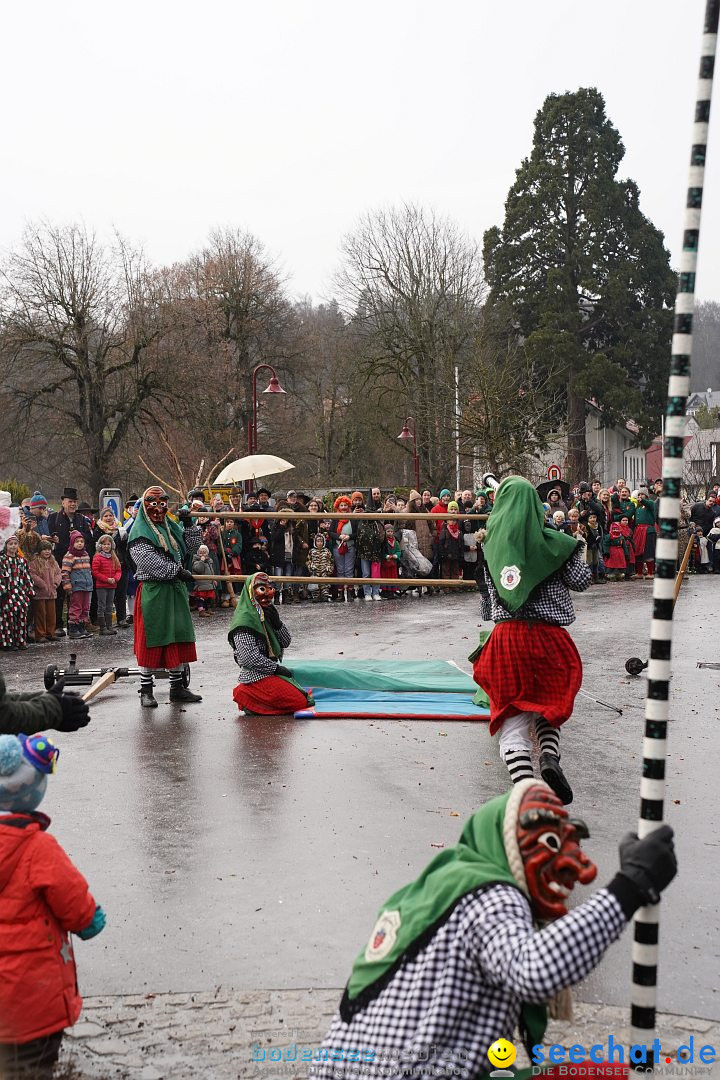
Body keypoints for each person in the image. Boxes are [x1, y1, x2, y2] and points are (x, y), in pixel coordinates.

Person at [310, 781, 676, 1080]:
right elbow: (535, 969)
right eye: (550, 843)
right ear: (507, 844)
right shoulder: (493, 896)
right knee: (602, 1075)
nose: (579, 868)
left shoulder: (436, 888)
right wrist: (630, 887)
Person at [472, 477, 591, 804]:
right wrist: (571, 545)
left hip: (508, 640)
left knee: (512, 722)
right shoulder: (554, 542)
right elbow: (582, 582)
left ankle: (526, 789)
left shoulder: (490, 546)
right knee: (547, 707)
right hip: (548, 638)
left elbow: (487, 605)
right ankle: (550, 757)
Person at [0, 733, 106, 1079]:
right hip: (32, 999)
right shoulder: (38, 849)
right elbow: (72, 899)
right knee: (33, 1066)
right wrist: (90, 920)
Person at [127, 487, 203, 708]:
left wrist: (189, 525)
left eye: (162, 504)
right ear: (144, 506)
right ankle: (146, 690)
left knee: (178, 636)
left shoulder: (170, 527)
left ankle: (177, 688)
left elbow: (191, 547)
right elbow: (147, 561)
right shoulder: (139, 532)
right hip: (155, 591)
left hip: (175, 591)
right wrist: (177, 571)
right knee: (153, 639)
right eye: (153, 503)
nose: (158, 509)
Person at [228, 572, 309, 715]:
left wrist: (277, 623)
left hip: (269, 671)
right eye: (261, 589)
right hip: (256, 674)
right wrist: (276, 669)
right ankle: (247, 696)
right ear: (250, 593)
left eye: (269, 588)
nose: (268, 594)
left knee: (303, 694)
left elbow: (286, 642)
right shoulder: (244, 621)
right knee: (299, 701)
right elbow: (249, 658)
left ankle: (258, 699)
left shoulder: (265, 613)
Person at [47, 487, 94, 638]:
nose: (72, 504)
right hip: (61, 560)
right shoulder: (54, 517)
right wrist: (53, 538)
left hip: (79, 563)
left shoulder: (81, 519)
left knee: (77, 596)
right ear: (63, 502)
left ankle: (75, 625)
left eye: (74, 502)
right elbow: (48, 536)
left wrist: (78, 536)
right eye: (70, 502)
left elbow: (89, 537)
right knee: (60, 593)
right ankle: (58, 626)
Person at [93, 507, 131, 627]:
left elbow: (124, 545)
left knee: (121, 593)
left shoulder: (120, 528)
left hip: (120, 564)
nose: (109, 518)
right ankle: (104, 622)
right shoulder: (98, 530)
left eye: (110, 515)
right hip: (105, 567)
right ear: (102, 518)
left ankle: (121, 619)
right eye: (106, 516)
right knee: (106, 597)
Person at [0, 537, 35, 651]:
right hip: (7, 593)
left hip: (20, 592)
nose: (13, 546)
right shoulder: (2, 560)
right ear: (6, 545)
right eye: (11, 544)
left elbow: (27, 576)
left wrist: (30, 591)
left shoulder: (22, 560)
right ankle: (7, 642)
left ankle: (20, 640)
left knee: (21, 617)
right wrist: (3, 591)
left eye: (15, 544)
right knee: (7, 618)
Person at [60, 532, 93, 641]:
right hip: (76, 586)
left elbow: (88, 570)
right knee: (76, 607)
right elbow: (65, 572)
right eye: (77, 542)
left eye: (81, 542)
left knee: (85, 607)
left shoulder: (85, 554)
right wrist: (67, 586)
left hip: (86, 585)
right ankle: (73, 628)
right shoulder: (69, 556)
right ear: (72, 543)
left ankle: (81, 626)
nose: (79, 544)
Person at [28, 541, 62, 642]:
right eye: (44, 549)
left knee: (52, 614)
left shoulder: (53, 562)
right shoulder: (34, 562)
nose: (47, 551)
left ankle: (50, 633)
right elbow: (32, 574)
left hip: (51, 592)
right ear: (40, 550)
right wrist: (41, 584)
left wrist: (56, 583)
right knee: (40, 614)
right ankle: (40, 634)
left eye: (49, 549)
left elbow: (58, 573)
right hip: (40, 593)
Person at [91, 534, 122, 636]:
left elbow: (118, 570)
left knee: (109, 606)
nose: (106, 546)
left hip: (112, 585)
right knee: (102, 606)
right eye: (104, 544)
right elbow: (95, 572)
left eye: (108, 544)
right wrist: (107, 579)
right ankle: (102, 628)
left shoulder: (114, 557)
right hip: (102, 586)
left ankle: (109, 626)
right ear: (100, 546)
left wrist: (115, 579)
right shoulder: (97, 557)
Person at [331, 496, 356, 603]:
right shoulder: (335, 519)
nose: (344, 507)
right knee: (340, 570)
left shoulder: (353, 519)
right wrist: (339, 536)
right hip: (338, 546)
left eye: (345, 505)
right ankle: (340, 592)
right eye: (341, 505)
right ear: (338, 506)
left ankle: (350, 592)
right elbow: (331, 532)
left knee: (349, 570)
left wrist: (349, 537)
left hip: (350, 546)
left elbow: (357, 533)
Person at [632, 490, 657, 578]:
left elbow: (648, 504)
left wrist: (642, 500)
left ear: (646, 496)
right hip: (638, 531)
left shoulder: (650, 504)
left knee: (648, 551)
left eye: (642, 494)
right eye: (639, 494)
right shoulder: (638, 508)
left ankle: (650, 573)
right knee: (638, 551)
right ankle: (639, 573)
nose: (640, 496)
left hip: (648, 531)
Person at [306, 533, 335, 602]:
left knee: (325, 583)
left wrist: (329, 567)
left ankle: (325, 595)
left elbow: (331, 561)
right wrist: (311, 566)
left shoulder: (327, 551)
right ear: (315, 542)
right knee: (315, 582)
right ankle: (316, 596)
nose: (319, 543)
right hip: (315, 571)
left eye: (321, 541)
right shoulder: (312, 551)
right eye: (318, 541)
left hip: (324, 570)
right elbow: (308, 561)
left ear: (324, 542)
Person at [439, 501, 462, 581]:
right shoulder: (444, 530)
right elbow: (441, 542)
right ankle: (446, 586)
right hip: (446, 553)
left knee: (455, 570)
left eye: (455, 509)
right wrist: (442, 554)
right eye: (451, 509)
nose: (453, 511)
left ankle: (454, 586)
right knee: (446, 571)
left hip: (456, 553)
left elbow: (461, 542)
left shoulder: (459, 529)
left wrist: (460, 553)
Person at [191, 544, 217, 615]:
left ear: (207, 553)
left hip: (209, 583)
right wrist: (201, 561)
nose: (202, 554)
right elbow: (198, 569)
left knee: (209, 598)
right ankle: (201, 611)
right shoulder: (196, 561)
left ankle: (208, 609)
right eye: (200, 552)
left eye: (204, 552)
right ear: (198, 553)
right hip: (201, 584)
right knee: (201, 598)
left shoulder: (209, 561)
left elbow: (212, 571)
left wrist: (213, 579)